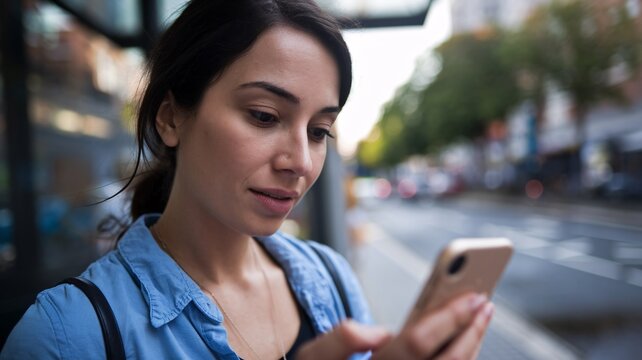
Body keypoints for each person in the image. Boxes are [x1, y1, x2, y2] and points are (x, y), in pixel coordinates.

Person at [1, 0, 494, 359]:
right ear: (171, 118)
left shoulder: (330, 279)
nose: (299, 160)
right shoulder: (64, 337)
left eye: (319, 130)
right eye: (263, 115)